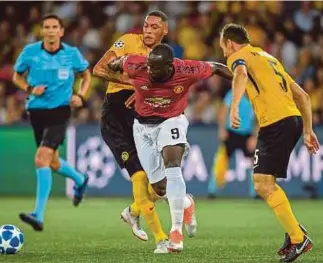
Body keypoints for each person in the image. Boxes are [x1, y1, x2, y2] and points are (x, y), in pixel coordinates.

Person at [108, 43, 232, 252]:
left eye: (155, 68)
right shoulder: (136, 65)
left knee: (173, 166)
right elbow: (115, 64)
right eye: (149, 66)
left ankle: (176, 233)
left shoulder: (186, 69)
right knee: (159, 187)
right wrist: (119, 70)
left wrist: (246, 81)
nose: (150, 71)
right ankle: (186, 204)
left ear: (169, 66)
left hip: (172, 121)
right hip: (142, 127)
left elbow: (218, 67)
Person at [219, 23, 320, 262]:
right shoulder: (267, 57)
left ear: (231, 43)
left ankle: (298, 238)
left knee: (263, 184)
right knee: (265, 182)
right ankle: (294, 230)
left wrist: (234, 106)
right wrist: (307, 129)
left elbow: (240, 74)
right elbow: (302, 96)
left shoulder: (238, 56)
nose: (223, 52)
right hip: (292, 119)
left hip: (275, 122)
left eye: (223, 46)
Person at [93, 10, 170, 253]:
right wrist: (133, 84)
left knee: (161, 184)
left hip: (142, 115)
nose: (148, 30)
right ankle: (161, 239)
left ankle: (133, 211)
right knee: (138, 175)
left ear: (164, 31)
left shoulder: (163, 57)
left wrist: (143, 92)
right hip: (115, 114)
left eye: (154, 27)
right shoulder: (127, 41)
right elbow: (98, 69)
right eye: (146, 26)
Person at [12, 14, 91, 231]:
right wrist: (29, 89)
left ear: (61, 31)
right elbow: (16, 76)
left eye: (54, 27)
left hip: (60, 111)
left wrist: (81, 96)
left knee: (41, 157)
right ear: (42, 31)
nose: (50, 30)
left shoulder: (72, 54)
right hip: (36, 111)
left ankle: (38, 214)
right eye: (46, 27)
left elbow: (86, 75)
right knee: (52, 162)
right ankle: (80, 179)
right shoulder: (30, 53)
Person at [208, 89, 257, 198]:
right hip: (231, 132)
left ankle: (255, 192)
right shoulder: (233, 93)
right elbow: (223, 111)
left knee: (253, 163)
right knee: (221, 161)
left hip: (247, 134)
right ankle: (212, 191)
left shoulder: (255, 96)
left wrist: (254, 137)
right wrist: (221, 129)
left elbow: (258, 119)